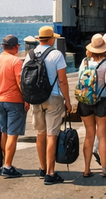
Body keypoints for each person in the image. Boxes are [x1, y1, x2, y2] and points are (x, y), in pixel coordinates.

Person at [25, 26, 72, 185]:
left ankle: (43, 168)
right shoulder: (56, 54)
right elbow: (63, 80)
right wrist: (68, 100)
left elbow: (25, 79)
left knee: (40, 134)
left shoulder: (29, 54)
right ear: (51, 39)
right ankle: (51, 174)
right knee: (52, 135)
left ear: (39, 39)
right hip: (53, 97)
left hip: (35, 98)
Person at [0, 34, 26, 178]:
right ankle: (7, 166)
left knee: (4, 132)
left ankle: (5, 162)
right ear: (16, 47)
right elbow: (20, 82)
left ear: (2, 46)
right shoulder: (16, 61)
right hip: (14, 100)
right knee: (13, 135)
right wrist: (26, 99)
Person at [76, 34, 106, 178]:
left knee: (89, 135)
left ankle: (86, 169)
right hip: (100, 101)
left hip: (84, 101)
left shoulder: (84, 62)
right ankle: (104, 168)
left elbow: (80, 79)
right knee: (102, 135)